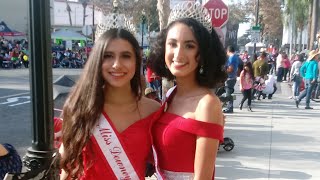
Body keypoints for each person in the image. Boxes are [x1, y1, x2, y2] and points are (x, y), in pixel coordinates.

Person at [59, 14, 161, 179]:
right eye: (108, 56)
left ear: (137, 61)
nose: (117, 64)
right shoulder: (79, 107)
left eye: (126, 56)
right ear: (97, 61)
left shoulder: (153, 111)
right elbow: (68, 171)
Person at [149, 2, 226, 179]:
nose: (178, 54)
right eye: (172, 44)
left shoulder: (207, 104)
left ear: (204, 52)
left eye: (189, 46)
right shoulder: (171, 95)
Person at [223, 45, 239, 113]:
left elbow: (230, 68)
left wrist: (224, 72)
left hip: (230, 77)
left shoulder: (231, 58)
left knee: (228, 93)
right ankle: (230, 106)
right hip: (233, 77)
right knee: (230, 92)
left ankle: (230, 107)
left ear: (228, 51)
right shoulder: (236, 57)